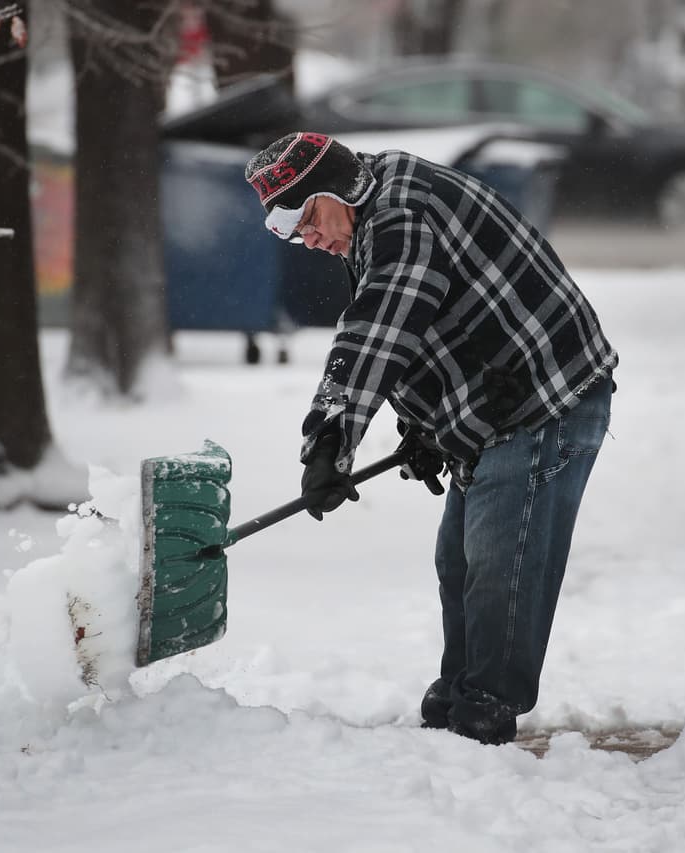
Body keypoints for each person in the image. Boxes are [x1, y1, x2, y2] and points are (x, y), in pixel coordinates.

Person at [244, 131, 618, 746]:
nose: (303, 238)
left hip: (546, 397)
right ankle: (461, 692)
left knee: (504, 560)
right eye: (284, 228)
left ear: (337, 189)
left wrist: (328, 442)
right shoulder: (373, 207)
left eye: (302, 216)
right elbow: (428, 325)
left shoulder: (400, 217)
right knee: (460, 561)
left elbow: (378, 331)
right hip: (497, 397)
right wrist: (423, 427)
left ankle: (487, 707)